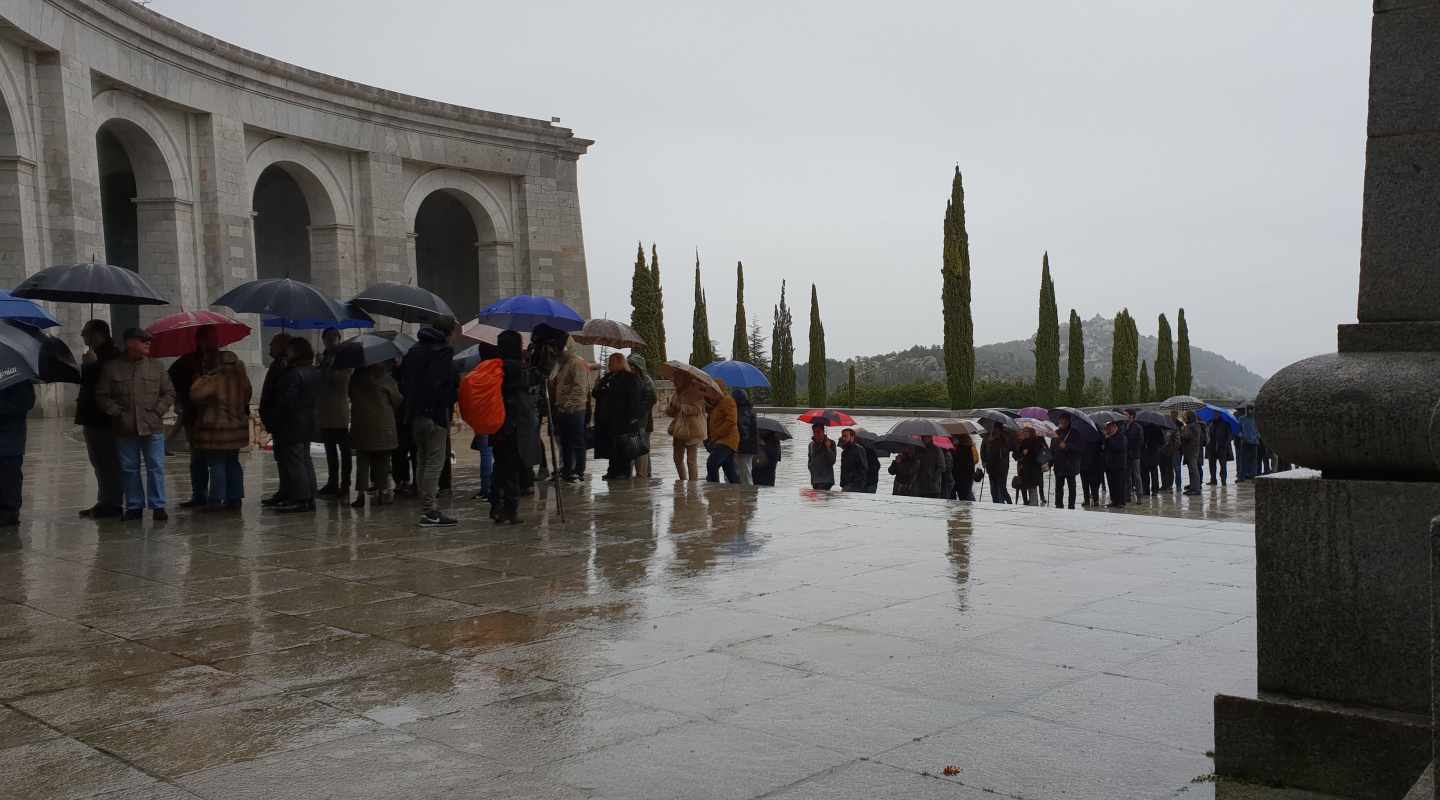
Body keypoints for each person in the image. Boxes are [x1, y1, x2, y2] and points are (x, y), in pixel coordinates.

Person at [96, 328, 175, 522]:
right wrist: (117, 413)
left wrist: (157, 412)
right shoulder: (112, 368)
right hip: (125, 427)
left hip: (152, 426)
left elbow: (169, 393)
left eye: (149, 340)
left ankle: (158, 506)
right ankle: (134, 506)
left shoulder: (156, 366)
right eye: (143, 340)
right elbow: (101, 395)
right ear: (130, 343)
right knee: (129, 468)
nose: (148, 343)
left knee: (155, 466)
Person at [399, 316, 458, 527]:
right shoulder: (442, 352)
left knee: (422, 460)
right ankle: (430, 510)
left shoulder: (414, 351)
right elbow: (444, 385)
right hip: (435, 415)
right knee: (435, 462)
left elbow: (403, 383)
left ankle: (426, 506)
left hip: (415, 414)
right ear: (449, 332)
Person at [186, 331, 251, 511]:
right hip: (237, 429)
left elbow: (195, 394)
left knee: (216, 464)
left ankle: (216, 499)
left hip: (217, 430)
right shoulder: (242, 379)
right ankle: (235, 498)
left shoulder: (215, 380)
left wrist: (203, 376)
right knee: (233, 463)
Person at [265, 337, 319, 513]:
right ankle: (308, 496)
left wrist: (276, 416)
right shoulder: (311, 370)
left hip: (293, 423)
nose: (286, 352)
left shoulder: (294, 373)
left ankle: (301, 498)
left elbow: (287, 400)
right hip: (307, 421)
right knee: (304, 459)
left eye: (290, 349)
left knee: (295, 461)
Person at [491, 330, 541, 524]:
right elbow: (534, 379)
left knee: (499, 466)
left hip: (496, 422)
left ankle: (496, 506)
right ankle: (510, 510)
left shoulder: (496, 366)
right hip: (513, 424)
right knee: (511, 468)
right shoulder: (517, 368)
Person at [76, 319, 122, 518]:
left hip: (104, 419)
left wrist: (93, 366)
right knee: (98, 462)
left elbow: (107, 385)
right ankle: (104, 501)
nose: (81, 335)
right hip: (91, 418)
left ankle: (112, 504)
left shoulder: (113, 356)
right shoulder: (94, 356)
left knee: (108, 463)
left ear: (97, 334)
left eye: (85, 332)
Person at [349, 362, 401, 508]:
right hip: (383, 425)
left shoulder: (355, 378)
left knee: (362, 461)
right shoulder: (386, 379)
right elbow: (397, 400)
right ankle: (382, 492)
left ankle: (360, 495)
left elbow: (351, 395)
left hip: (361, 425)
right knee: (383, 460)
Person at [167, 334, 208, 509]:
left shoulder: (215, 361)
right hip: (195, 413)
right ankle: (204, 496)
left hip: (203, 414)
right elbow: (173, 381)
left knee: (208, 459)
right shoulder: (187, 362)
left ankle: (205, 496)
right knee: (202, 458)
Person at [593, 352, 645, 480]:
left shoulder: (630, 378)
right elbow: (596, 394)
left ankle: (623, 472)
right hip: (608, 419)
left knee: (623, 447)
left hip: (623, 419)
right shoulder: (608, 377)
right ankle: (612, 471)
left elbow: (634, 399)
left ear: (619, 362)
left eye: (612, 362)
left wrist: (633, 417)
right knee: (612, 446)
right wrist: (599, 384)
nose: (609, 365)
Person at [547, 329, 589, 482]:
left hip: (575, 410)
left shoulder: (576, 363)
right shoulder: (561, 365)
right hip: (562, 409)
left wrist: (568, 405)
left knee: (577, 442)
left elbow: (580, 388)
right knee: (565, 442)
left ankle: (578, 471)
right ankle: (566, 470)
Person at [316, 328, 353, 498]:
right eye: (328, 338)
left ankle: (345, 484)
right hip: (325, 411)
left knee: (344, 451)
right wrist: (320, 367)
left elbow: (342, 381)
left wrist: (327, 368)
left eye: (333, 338)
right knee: (330, 451)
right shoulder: (323, 359)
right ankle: (332, 482)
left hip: (339, 411)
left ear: (339, 339)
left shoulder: (344, 358)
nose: (331, 341)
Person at [259, 333, 292, 507]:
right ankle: (284, 490)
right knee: (281, 458)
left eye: (273, 344)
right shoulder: (278, 365)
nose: (269, 346)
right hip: (276, 420)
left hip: (281, 421)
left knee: (287, 459)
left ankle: (290, 492)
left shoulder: (283, 366)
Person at [0, 380, 35, 527]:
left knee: (9, 478)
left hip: (10, 441)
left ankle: (9, 514)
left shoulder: (17, 377)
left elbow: (26, 402)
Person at [666, 375, 708, 481]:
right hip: (679, 430)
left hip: (693, 430)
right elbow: (671, 413)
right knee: (677, 459)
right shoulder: (676, 393)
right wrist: (671, 407)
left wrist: (681, 407)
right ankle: (682, 481)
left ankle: (693, 485)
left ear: (684, 379)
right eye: (674, 379)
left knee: (691, 460)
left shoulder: (696, 392)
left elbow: (697, 410)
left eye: (677, 378)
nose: (674, 381)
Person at [704, 379, 739, 483]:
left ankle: (714, 489)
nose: (709, 394)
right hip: (720, 440)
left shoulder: (728, 401)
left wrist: (716, 435)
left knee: (712, 463)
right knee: (729, 470)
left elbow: (731, 421)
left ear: (717, 391)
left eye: (711, 391)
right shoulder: (717, 403)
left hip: (727, 440)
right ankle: (738, 493)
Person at [629, 354, 657, 478]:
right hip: (635, 421)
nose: (630, 368)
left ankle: (644, 475)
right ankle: (645, 474)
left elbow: (651, 399)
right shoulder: (632, 380)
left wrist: (638, 413)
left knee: (642, 449)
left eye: (632, 365)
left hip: (643, 422)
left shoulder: (646, 381)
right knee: (638, 448)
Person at [1051, 414, 1082, 510]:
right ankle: (1058, 505)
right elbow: (1052, 449)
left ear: (1068, 422)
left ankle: (1071, 506)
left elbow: (1079, 448)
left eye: (1064, 421)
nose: (1062, 423)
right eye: (1060, 421)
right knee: (1058, 487)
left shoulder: (1075, 433)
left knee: (1071, 487)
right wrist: (1049, 462)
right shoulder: (1055, 433)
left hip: (1070, 465)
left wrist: (1067, 446)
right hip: (1059, 465)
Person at [1013, 428, 1045, 506]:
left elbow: (1039, 455)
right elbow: (1015, 455)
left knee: (1032, 488)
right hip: (1023, 470)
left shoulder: (1037, 441)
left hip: (1034, 470)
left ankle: (1034, 505)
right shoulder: (1022, 442)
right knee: (1024, 486)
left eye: (1027, 432)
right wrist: (1022, 453)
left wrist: (1029, 452)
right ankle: (1026, 502)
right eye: (1024, 432)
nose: (1025, 433)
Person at [980, 426, 1012, 503]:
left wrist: (998, 441)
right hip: (990, 466)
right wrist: (984, 461)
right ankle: (996, 502)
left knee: (1001, 487)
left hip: (1002, 467)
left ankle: (1007, 502)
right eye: (994, 428)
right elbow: (982, 450)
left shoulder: (1005, 437)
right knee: (993, 487)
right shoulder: (987, 437)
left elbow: (1008, 449)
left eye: (996, 428)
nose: (994, 430)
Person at [733, 389, 757, 486]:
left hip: (743, 447)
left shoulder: (741, 412)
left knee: (744, 473)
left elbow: (743, 430)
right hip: (748, 447)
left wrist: (737, 445)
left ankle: (746, 496)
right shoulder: (748, 410)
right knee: (746, 471)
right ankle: (747, 497)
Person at [1102, 420, 1129, 508]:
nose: (1109, 429)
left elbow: (1117, 448)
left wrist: (1108, 439)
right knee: (1111, 484)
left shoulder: (1121, 437)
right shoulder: (1108, 437)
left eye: (1111, 427)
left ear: (1116, 427)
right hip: (1109, 465)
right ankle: (1114, 500)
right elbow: (1105, 449)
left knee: (1120, 484)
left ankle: (1121, 501)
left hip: (1119, 464)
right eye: (1108, 428)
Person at [1180, 410, 1205, 495]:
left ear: (1189, 417)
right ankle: (1192, 487)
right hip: (1190, 450)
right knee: (1191, 470)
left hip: (1192, 450)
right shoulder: (1191, 425)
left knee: (1194, 469)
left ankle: (1196, 489)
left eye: (1185, 416)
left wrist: (1182, 430)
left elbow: (1186, 436)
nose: (1183, 417)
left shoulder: (1192, 426)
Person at [913, 435, 945, 499]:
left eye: (927, 437)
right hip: (919, 484)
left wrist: (933, 478)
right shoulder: (918, 448)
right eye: (924, 437)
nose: (925, 438)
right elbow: (915, 464)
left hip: (932, 486)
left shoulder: (936, 449)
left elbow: (942, 467)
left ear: (931, 438)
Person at [807, 423, 836, 490]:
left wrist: (828, 448)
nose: (816, 434)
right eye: (814, 432)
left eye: (818, 432)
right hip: (815, 480)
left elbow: (832, 461)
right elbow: (810, 460)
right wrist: (811, 467)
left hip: (827, 480)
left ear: (823, 431)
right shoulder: (811, 445)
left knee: (822, 498)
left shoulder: (831, 443)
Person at [1208, 413, 1234, 486]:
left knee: (1223, 465)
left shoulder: (1226, 424)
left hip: (1222, 448)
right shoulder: (1210, 423)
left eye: (1216, 414)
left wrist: (1225, 444)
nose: (1214, 415)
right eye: (1214, 414)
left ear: (1220, 415)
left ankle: (1223, 481)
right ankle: (1213, 480)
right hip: (1211, 448)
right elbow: (1208, 435)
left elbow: (1230, 436)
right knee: (1212, 465)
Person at [951, 433, 978, 502]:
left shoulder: (962, 449)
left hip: (961, 477)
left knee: (965, 497)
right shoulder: (968, 448)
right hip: (965, 477)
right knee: (966, 496)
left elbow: (961, 463)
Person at [1124, 410, 1144, 500]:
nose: (1124, 416)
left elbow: (1140, 441)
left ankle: (1139, 494)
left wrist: (1132, 449)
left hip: (1135, 455)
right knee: (1127, 476)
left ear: (1132, 416)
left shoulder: (1137, 427)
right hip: (1126, 454)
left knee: (1136, 475)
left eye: (1126, 415)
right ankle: (1128, 494)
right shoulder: (1124, 426)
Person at [1236, 405, 1261, 482]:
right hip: (1245, 442)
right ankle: (1241, 477)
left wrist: (1256, 437)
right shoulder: (1242, 419)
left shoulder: (1256, 419)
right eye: (1249, 409)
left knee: (1254, 461)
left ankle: (1253, 477)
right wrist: (1242, 436)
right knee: (1243, 460)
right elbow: (1238, 430)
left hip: (1254, 443)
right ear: (1246, 410)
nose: (1250, 411)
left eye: (1251, 409)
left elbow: (1259, 431)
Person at [1141, 421, 1165, 496]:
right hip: (1154, 452)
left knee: (1145, 473)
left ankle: (1146, 490)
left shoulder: (1142, 427)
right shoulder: (1157, 428)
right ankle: (1155, 490)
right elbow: (1162, 441)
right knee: (1154, 472)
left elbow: (1141, 440)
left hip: (1145, 452)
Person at [1081, 432, 1104, 507]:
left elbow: (1102, 448)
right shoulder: (1098, 435)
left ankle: (1093, 500)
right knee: (1088, 484)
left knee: (1091, 483)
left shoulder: (1098, 436)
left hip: (1093, 464)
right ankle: (1092, 500)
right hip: (1087, 464)